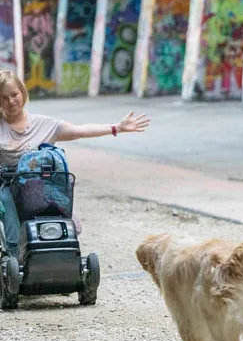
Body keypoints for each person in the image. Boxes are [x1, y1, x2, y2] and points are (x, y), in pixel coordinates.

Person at [0, 70, 150, 257]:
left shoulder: (43, 124)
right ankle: (12, 256)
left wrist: (116, 128)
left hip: (36, 184)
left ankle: (63, 250)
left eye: (14, 94)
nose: (11, 101)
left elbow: (80, 131)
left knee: (58, 201)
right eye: (4, 98)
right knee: (6, 204)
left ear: (22, 92)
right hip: (6, 184)